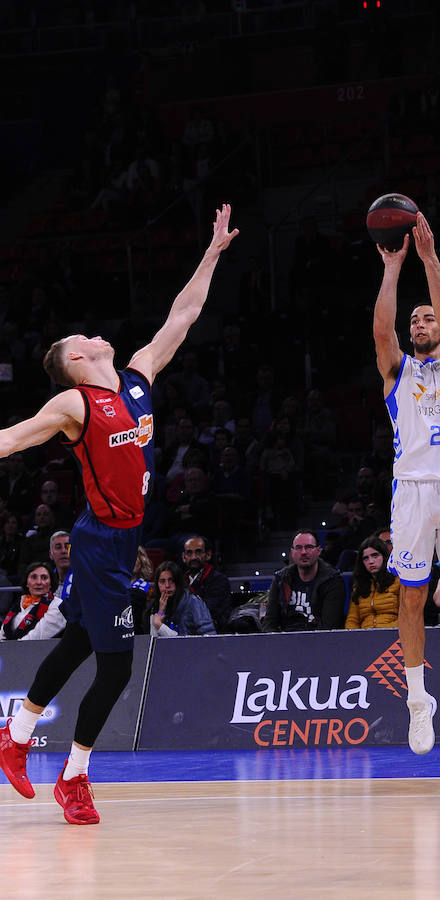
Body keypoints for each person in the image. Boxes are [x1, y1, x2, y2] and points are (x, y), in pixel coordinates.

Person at [0, 203, 238, 824]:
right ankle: (74, 776)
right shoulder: (72, 402)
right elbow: (11, 439)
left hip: (120, 535)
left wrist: (211, 254)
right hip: (103, 542)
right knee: (117, 664)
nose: (91, 334)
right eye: (79, 338)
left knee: (80, 636)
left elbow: (183, 314)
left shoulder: (138, 375)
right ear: (74, 359)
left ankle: (17, 734)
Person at [373, 211, 440, 755]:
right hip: (411, 490)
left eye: (427, 317)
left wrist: (430, 259)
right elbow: (380, 331)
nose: (420, 323)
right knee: (411, 598)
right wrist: (393, 270)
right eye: (415, 319)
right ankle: (419, 704)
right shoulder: (397, 370)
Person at [262, 531, 345, 632]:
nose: (304, 552)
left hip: (319, 641)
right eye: (298, 547)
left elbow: (329, 627)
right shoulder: (281, 578)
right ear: (292, 552)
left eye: (309, 547)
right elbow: (270, 622)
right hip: (285, 641)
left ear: (318, 550)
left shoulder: (332, 580)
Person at [145, 561, 216, 638]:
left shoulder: (193, 603)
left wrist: (159, 625)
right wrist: (160, 612)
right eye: (162, 581)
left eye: (171, 580)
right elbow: (153, 642)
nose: (167, 585)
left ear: (178, 582)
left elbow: (210, 637)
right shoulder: (154, 605)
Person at [345, 536, 400, 629]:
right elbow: (352, 620)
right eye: (366, 558)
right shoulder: (358, 587)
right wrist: (353, 638)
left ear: (384, 556)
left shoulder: (398, 581)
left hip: (393, 635)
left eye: (375, 555)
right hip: (364, 638)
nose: (371, 561)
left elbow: (407, 616)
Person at [181, 534, 231, 633]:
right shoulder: (179, 582)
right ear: (184, 557)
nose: (193, 557)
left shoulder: (219, 580)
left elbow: (208, 610)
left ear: (208, 555)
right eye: (189, 553)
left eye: (198, 552)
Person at [0, 562, 58, 641]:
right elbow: (2, 634)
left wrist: (10, 649)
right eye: (34, 577)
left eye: (44, 577)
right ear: (27, 583)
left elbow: (35, 638)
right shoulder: (18, 605)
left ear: (51, 583)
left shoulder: (57, 605)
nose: (39, 582)